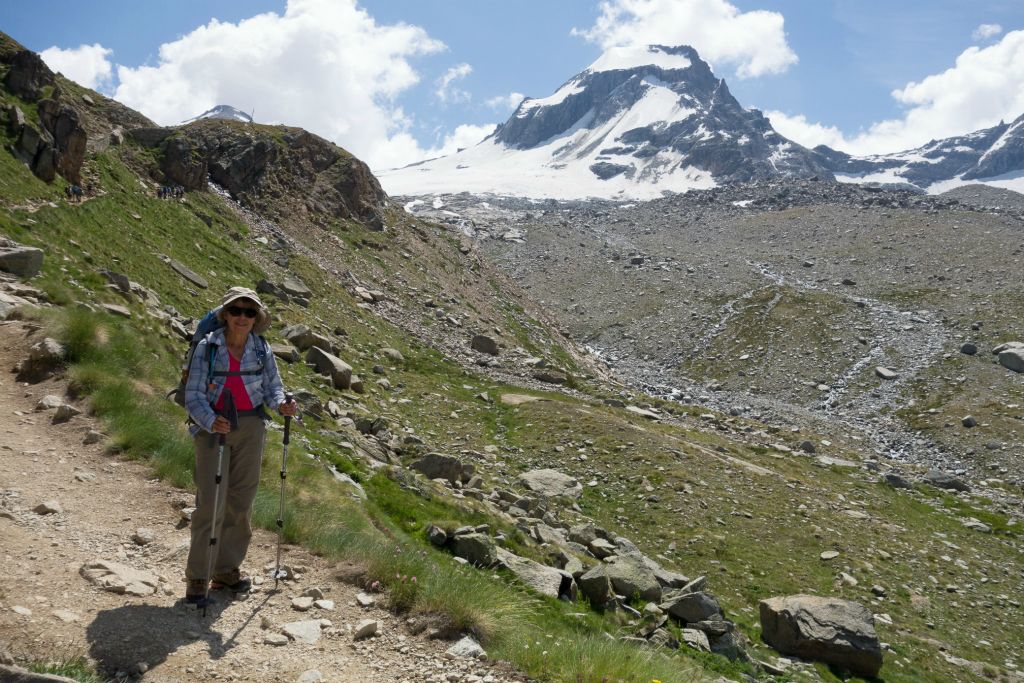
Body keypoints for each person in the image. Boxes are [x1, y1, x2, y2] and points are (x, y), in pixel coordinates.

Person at [183, 286, 296, 605]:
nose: (243, 317)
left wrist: (282, 404)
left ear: (256, 317)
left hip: (250, 427)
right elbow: (193, 395)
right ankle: (197, 576)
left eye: (250, 312)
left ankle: (226, 569)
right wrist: (209, 419)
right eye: (236, 311)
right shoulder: (208, 347)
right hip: (213, 429)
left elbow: (274, 387)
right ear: (225, 315)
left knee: (241, 500)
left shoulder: (261, 348)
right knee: (211, 503)